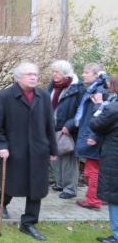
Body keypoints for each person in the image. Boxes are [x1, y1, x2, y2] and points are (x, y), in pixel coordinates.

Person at [0, 62, 57, 241]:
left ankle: (28, 223)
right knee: (12, 183)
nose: (34, 77)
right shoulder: (5, 96)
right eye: (29, 74)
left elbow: (49, 124)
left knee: (37, 186)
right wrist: (1, 146)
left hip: (38, 150)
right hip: (14, 150)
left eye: (35, 74)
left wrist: (53, 148)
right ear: (18, 77)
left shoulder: (43, 96)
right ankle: (1, 201)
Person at [48, 60, 84, 199]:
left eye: (57, 72)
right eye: (53, 71)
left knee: (68, 158)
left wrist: (70, 125)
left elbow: (82, 110)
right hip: (53, 127)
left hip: (68, 128)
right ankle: (60, 183)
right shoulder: (53, 85)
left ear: (65, 73)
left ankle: (70, 188)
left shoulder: (77, 88)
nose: (54, 74)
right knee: (55, 158)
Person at [74, 63, 108, 210]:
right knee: (94, 169)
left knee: (92, 170)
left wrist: (93, 135)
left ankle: (94, 201)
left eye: (87, 72)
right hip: (91, 133)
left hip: (94, 137)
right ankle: (99, 197)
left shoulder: (99, 91)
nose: (83, 74)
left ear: (96, 75)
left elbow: (100, 115)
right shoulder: (93, 89)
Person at [91, 75, 118, 243]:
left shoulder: (113, 108)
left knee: (115, 197)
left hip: (114, 157)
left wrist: (99, 105)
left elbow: (96, 124)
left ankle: (117, 235)